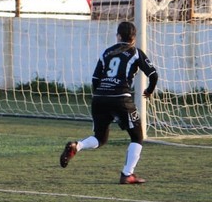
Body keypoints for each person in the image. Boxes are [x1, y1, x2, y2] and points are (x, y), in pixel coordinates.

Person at [59, 21, 158, 184]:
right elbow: (153, 75)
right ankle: (127, 174)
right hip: (121, 98)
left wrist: (101, 96)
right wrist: (149, 90)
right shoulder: (135, 52)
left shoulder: (106, 52)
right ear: (134, 38)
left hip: (100, 98)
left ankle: (77, 146)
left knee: (100, 138)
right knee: (137, 136)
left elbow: (95, 78)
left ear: (118, 36)